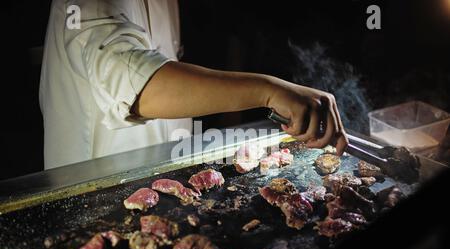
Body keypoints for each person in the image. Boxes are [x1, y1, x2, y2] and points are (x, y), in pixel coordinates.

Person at [40, 0, 348, 169]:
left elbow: (168, 72)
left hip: (161, 178)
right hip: (91, 194)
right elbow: (139, 87)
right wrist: (269, 91)